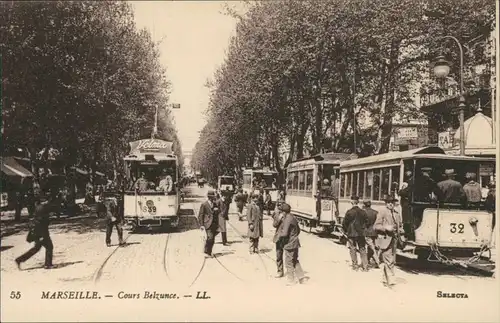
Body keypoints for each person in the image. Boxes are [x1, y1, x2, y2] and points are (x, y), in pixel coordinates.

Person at [15, 191, 55, 270]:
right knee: (49, 247)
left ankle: (19, 260)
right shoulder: (43, 208)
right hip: (41, 232)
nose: (48, 201)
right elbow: (41, 223)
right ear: (45, 200)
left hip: (37, 231)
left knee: (36, 248)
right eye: (48, 199)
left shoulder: (39, 206)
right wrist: (42, 236)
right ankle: (48, 264)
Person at [374, 196, 403, 288]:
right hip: (385, 239)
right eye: (389, 202)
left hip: (394, 240)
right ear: (386, 203)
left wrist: (401, 230)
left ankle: (384, 279)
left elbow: (400, 225)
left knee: (390, 260)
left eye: (392, 202)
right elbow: (376, 226)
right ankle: (391, 281)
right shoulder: (382, 212)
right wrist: (386, 228)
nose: (390, 204)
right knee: (389, 260)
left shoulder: (397, 214)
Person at [278, 203, 307, 285]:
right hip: (295, 242)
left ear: (284, 212)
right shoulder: (293, 218)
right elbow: (298, 230)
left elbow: (284, 233)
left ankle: (291, 280)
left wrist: (279, 235)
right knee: (295, 260)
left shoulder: (287, 219)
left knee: (289, 262)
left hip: (289, 244)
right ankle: (301, 278)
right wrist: (294, 236)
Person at [342, 195, 369, 271]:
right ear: (358, 202)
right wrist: (363, 228)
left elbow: (345, 223)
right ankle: (365, 266)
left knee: (353, 249)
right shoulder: (363, 212)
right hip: (360, 233)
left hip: (351, 233)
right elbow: (367, 222)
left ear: (351, 202)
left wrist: (346, 230)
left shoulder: (349, 212)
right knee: (362, 249)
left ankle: (355, 266)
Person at [198, 190, 220, 257]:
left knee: (212, 239)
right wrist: (201, 225)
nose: (214, 198)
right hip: (207, 223)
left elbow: (218, 212)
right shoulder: (204, 204)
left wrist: (217, 210)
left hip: (214, 224)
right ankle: (206, 251)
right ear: (209, 197)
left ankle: (209, 252)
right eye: (212, 197)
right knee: (210, 238)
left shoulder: (215, 204)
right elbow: (200, 215)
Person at [362, 200, 380, 268]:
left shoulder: (363, 212)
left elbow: (364, 223)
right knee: (371, 246)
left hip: (367, 232)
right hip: (374, 232)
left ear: (364, 205)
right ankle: (368, 260)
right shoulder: (375, 212)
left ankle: (377, 261)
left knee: (371, 247)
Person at [272, 203, 285, 278]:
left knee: (281, 255)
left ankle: (282, 271)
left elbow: (274, 224)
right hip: (280, 237)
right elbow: (274, 224)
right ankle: (280, 271)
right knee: (279, 255)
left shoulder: (287, 216)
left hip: (282, 237)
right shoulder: (278, 214)